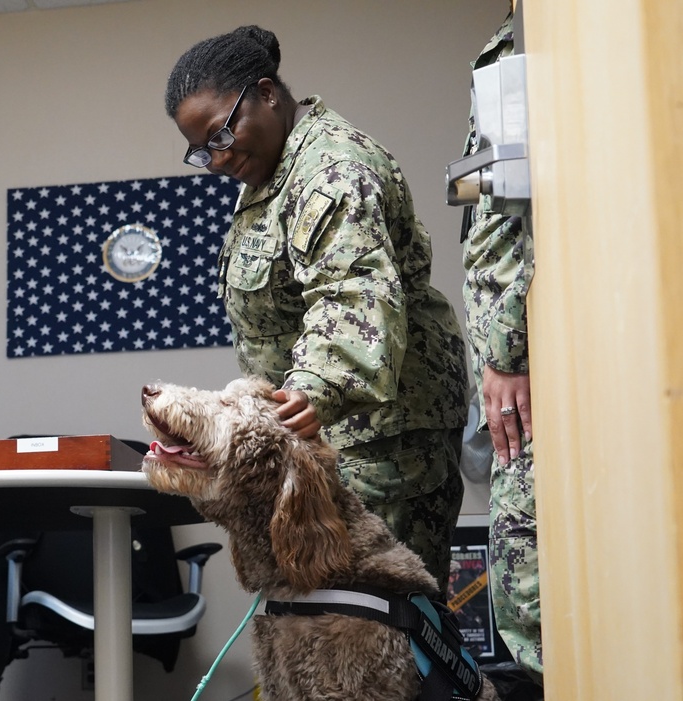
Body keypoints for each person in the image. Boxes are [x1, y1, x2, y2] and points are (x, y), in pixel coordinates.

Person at [164, 26, 468, 595]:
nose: (217, 159)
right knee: (326, 625)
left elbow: (350, 292)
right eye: (202, 149)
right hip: (322, 435)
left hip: (381, 439)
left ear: (267, 94)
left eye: (221, 134)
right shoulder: (270, 174)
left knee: (379, 621)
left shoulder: (331, 169)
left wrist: (313, 388)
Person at [459, 5, 543, 685]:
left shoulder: (544, 37)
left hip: (530, 366)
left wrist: (505, 352)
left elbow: (518, 214)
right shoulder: (509, 41)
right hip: (513, 360)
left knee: (528, 585)